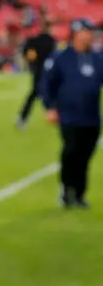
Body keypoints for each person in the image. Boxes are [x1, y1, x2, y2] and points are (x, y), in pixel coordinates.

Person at [40, 18, 102, 208]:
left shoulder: (97, 58)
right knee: (71, 152)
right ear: (75, 33)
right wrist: (50, 107)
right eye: (86, 31)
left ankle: (80, 194)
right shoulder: (60, 58)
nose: (90, 35)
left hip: (91, 117)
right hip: (68, 116)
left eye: (91, 32)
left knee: (86, 155)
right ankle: (67, 189)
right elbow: (46, 84)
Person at [16, 22, 56, 130]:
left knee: (35, 95)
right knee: (46, 95)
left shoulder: (34, 40)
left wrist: (31, 60)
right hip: (46, 72)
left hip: (38, 71)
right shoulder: (50, 40)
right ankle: (53, 115)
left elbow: (27, 53)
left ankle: (22, 118)